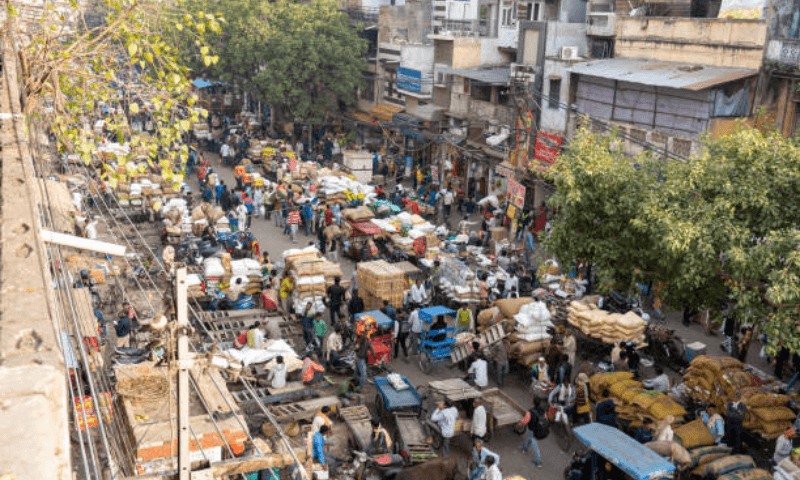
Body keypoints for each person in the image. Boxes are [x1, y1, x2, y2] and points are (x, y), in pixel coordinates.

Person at [518, 397, 545, 467]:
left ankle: (538, 461)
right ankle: (524, 447)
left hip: (532, 430)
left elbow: (525, 421)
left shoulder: (530, 411)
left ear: (533, 403)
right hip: (540, 429)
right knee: (530, 439)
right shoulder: (543, 410)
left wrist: (520, 424)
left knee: (535, 444)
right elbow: (545, 418)